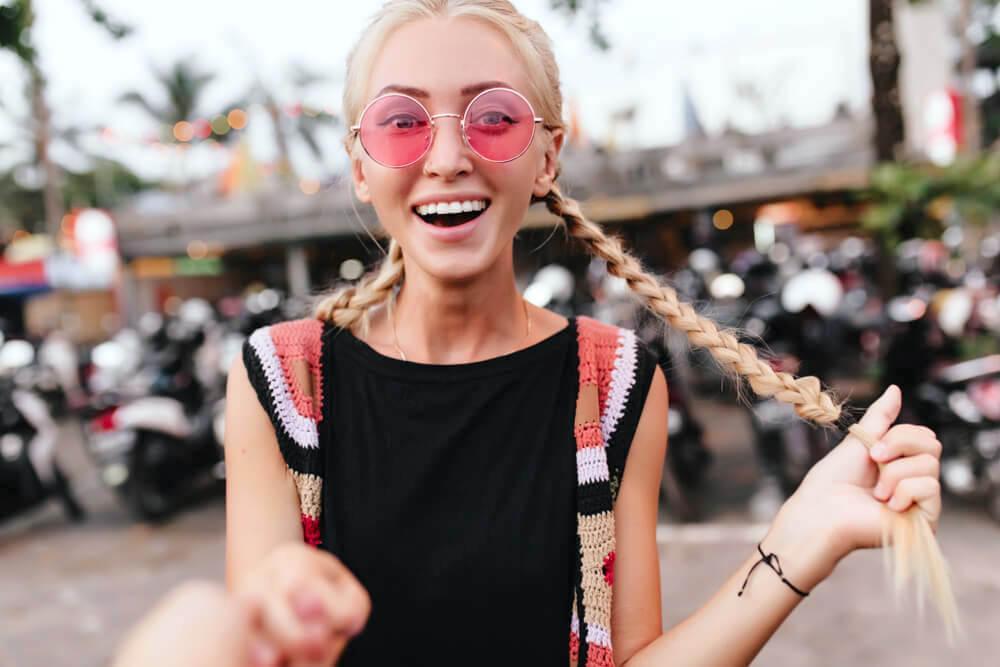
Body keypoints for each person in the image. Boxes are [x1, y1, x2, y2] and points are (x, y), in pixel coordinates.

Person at [221, 2, 944, 665]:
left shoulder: (618, 384)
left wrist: (801, 538)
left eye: (493, 117)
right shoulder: (284, 385)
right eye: (403, 121)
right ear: (358, 164)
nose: (446, 159)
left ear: (547, 155)